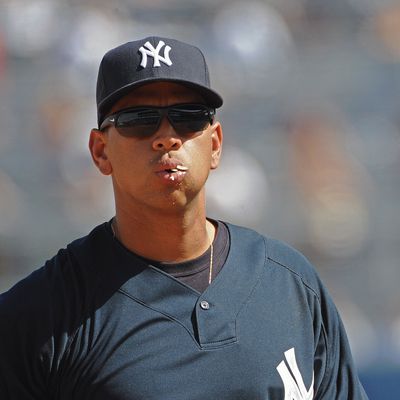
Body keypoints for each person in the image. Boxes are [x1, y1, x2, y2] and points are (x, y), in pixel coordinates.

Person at [0, 36, 368, 399]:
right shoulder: (41, 315)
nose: (166, 138)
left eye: (188, 117)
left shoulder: (291, 284)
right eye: (139, 119)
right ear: (100, 151)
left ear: (215, 145)